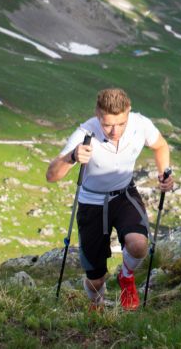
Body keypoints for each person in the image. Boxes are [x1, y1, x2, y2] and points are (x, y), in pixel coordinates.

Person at [46, 88, 174, 309]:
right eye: (107, 125)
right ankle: (96, 303)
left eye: (121, 123)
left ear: (129, 112)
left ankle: (126, 276)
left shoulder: (139, 124)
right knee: (96, 278)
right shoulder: (84, 133)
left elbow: (160, 145)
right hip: (91, 203)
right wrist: (72, 156)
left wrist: (165, 172)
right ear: (98, 115)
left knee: (139, 245)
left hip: (124, 194)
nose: (115, 131)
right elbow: (51, 175)